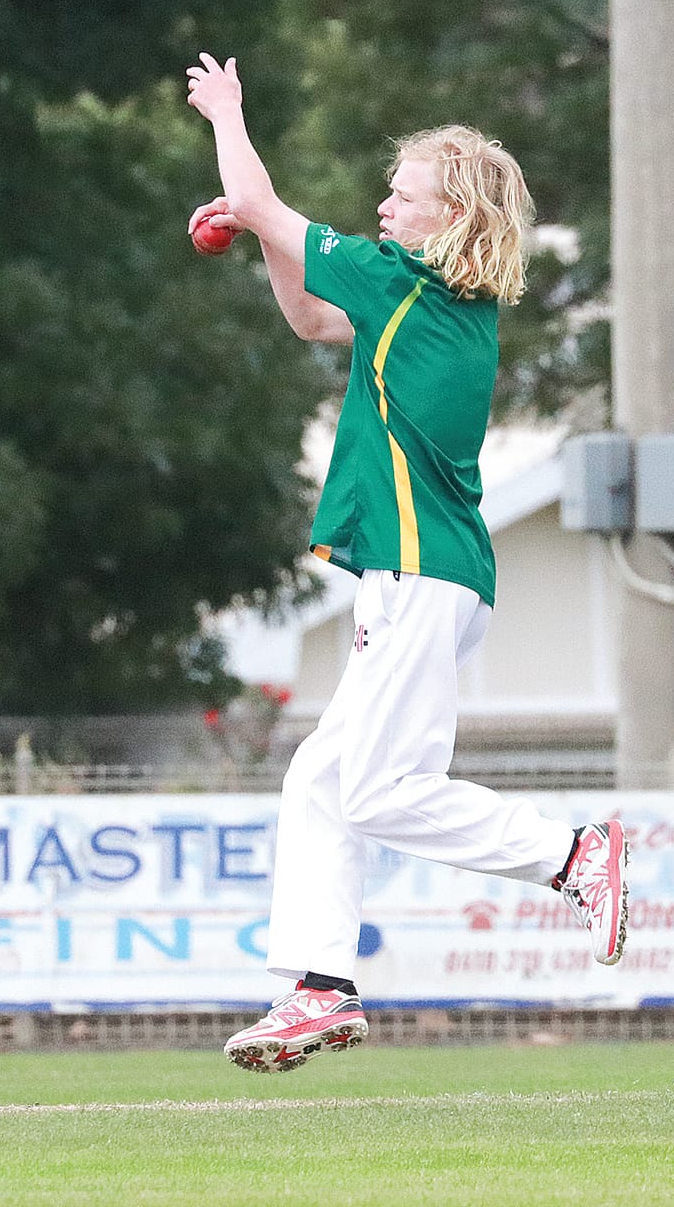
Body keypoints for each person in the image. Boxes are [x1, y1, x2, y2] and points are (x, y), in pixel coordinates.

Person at [183, 53, 629, 1074]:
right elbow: (308, 316)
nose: (384, 205)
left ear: (452, 216)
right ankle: (317, 986)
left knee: (380, 790)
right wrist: (261, 237)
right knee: (320, 778)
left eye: (404, 194)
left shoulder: (403, 284)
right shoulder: (429, 300)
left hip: (420, 572)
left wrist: (227, 117)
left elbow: (261, 201)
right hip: (428, 576)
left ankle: (573, 856)